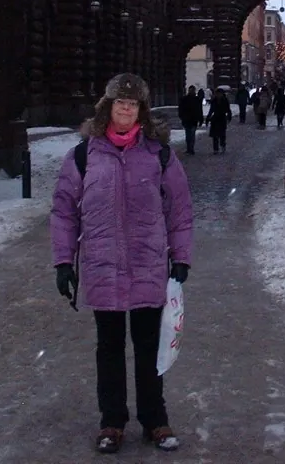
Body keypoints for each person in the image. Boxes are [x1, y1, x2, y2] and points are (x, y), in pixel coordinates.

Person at [50, 73, 194, 454]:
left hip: (148, 265)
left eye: (132, 104)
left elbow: (180, 209)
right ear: (108, 108)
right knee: (109, 347)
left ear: (141, 111)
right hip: (103, 266)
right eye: (120, 103)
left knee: (148, 347)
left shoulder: (159, 155)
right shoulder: (84, 156)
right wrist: (63, 261)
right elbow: (64, 211)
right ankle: (112, 422)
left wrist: (181, 256)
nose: (126, 110)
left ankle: (154, 419)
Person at [177, 85, 203, 155]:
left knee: (191, 135)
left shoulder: (197, 99)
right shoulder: (185, 99)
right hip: (187, 120)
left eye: (192, 90)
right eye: (191, 90)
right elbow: (181, 109)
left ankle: (191, 149)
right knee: (188, 135)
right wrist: (182, 116)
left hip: (193, 120)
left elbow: (200, 110)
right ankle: (189, 148)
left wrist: (200, 119)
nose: (191, 91)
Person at [206, 87, 232, 153]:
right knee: (215, 135)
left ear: (222, 94)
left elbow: (228, 110)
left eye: (219, 94)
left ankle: (223, 145)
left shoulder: (225, 100)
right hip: (215, 119)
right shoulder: (214, 101)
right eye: (217, 94)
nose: (218, 95)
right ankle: (215, 149)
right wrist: (208, 118)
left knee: (222, 135)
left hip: (222, 119)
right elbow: (211, 110)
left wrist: (229, 117)